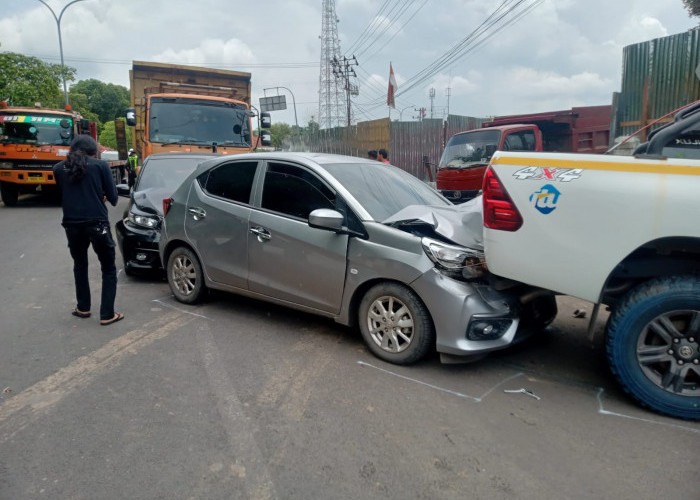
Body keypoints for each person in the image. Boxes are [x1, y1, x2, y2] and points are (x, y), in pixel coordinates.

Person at [53, 135, 124, 326]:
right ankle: (107, 314)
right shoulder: (100, 166)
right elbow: (114, 197)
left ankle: (83, 308)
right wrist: (99, 194)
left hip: (71, 225)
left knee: (80, 264)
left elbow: (66, 192)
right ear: (93, 151)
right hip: (97, 224)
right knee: (108, 268)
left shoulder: (58, 169)